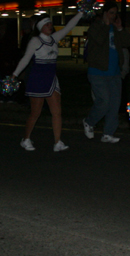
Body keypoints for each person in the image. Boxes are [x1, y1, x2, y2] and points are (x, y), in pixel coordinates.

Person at [12, 11, 83, 151]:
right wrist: (14, 75)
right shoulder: (35, 41)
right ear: (40, 27)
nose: (50, 26)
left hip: (52, 79)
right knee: (35, 113)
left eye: (50, 23)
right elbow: (25, 59)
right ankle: (25, 139)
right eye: (47, 24)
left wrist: (81, 13)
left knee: (57, 111)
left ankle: (58, 142)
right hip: (38, 79)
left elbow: (69, 27)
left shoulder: (54, 38)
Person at [82, 2, 130, 143]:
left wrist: (120, 28)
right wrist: (105, 25)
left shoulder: (115, 29)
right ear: (104, 13)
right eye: (111, 12)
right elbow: (98, 40)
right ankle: (89, 122)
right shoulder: (95, 27)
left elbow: (128, 42)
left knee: (114, 104)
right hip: (97, 72)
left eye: (115, 13)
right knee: (103, 101)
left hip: (114, 73)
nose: (113, 16)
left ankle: (108, 133)